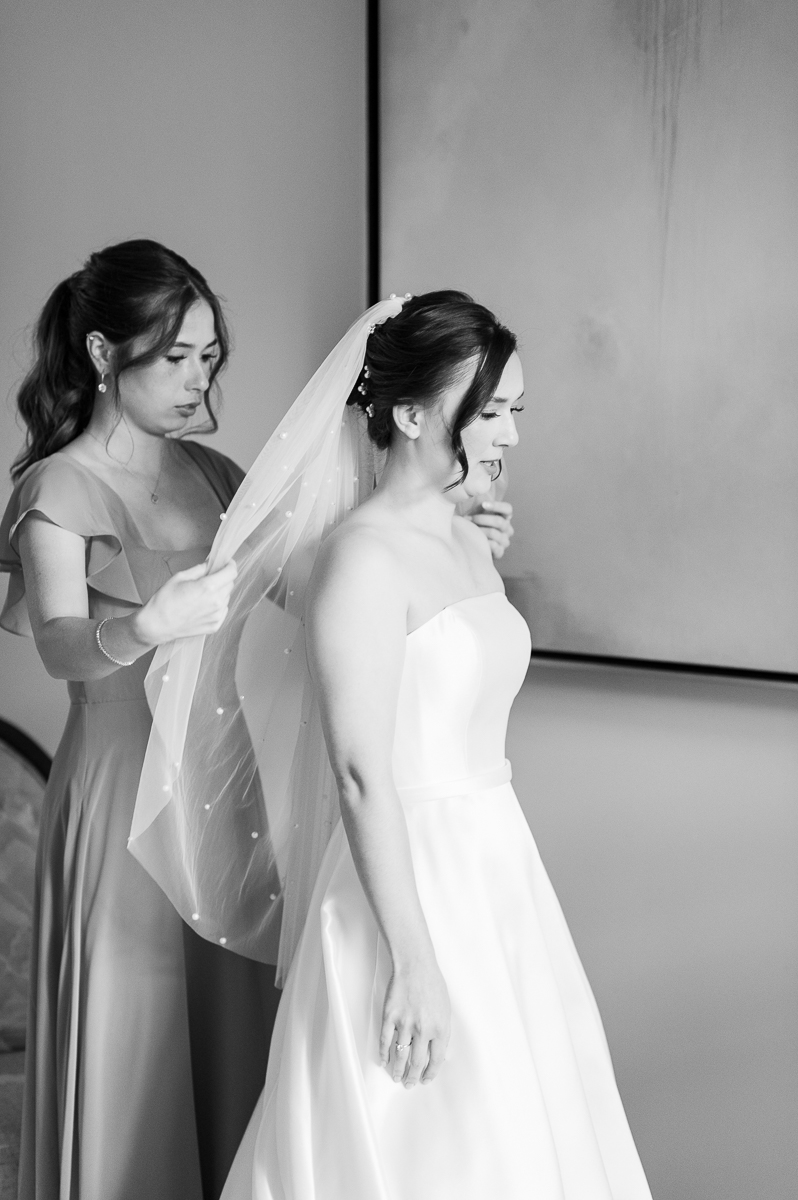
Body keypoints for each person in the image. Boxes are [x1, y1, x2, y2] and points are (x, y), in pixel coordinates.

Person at [132, 292, 653, 1200]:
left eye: (513, 412)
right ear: (411, 414)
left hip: (499, 869)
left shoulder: (467, 536)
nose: (509, 437)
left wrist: (482, 544)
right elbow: (362, 773)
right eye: (488, 412)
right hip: (404, 882)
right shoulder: (360, 560)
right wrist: (411, 956)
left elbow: (462, 682)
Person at [0, 240, 278, 1200]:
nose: (199, 378)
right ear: (103, 354)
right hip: (120, 785)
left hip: (219, 782)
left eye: (209, 355)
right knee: (136, 1041)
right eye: (176, 356)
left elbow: (299, 579)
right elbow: (62, 646)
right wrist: (150, 625)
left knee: (233, 1029)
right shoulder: (59, 487)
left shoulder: (216, 472)